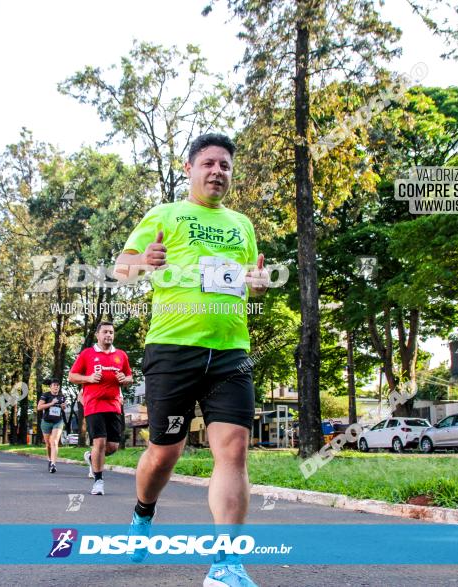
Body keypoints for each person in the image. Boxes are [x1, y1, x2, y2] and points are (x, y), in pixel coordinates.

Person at [112, 133, 268, 586]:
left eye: (225, 165)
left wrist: (257, 282)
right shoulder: (164, 215)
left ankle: (226, 566)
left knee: (234, 451)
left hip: (230, 352)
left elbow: (249, 283)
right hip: (173, 350)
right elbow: (122, 269)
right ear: (190, 168)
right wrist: (144, 260)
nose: (218, 171)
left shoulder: (241, 223)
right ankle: (143, 515)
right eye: (209, 163)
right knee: (165, 453)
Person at [69, 321, 133, 495]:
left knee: (112, 446)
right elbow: (72, 376)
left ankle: (91, 458)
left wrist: (124, 379)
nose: (109, 335)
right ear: (97, 335)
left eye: (111, 332)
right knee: (100, 442)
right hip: (94, 404)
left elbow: (130, 377)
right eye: (105, 332)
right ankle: (98, 481)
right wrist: (89, 378)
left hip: (114, 405)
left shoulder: (121, 355)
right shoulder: (87, 354)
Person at [36, 377, 66, 473]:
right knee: (48, 444)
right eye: (54, 385)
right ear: (50, 387)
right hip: (46, 422)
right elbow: (39, 407)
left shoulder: (62, 397)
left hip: (58, 421)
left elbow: (64, 408)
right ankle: (49, 460)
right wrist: (51, 403)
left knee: (54, 441)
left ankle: (53, 464)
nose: (56, 387)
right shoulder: (46, 395)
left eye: (57, 385)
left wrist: (63, 406)